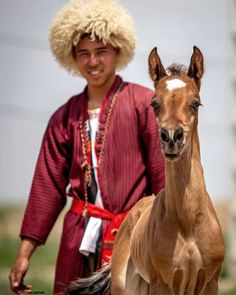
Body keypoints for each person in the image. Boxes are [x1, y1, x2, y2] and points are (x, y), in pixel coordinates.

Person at [9, 0, 165, 294]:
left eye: (101, 52)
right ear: (73, 57)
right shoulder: (63, 117)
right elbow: (47, 187)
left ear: (117, 51)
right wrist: (24, 254)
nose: (93, 62)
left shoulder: (144, 104)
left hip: (133, 240)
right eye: (84, 54)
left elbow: (164, 183)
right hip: (77, 241)